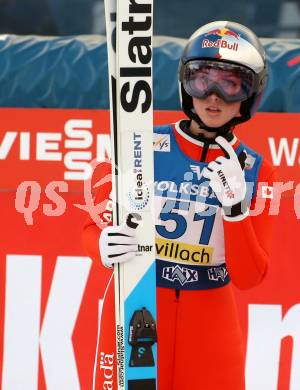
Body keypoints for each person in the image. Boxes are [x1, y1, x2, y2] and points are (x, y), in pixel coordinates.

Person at [83, 20, 276, 390]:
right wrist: (101, 246)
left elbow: (251, 278)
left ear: (249, 95)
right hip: (138, 302)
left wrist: (236, 209)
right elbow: (91, 229)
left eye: (231, 83)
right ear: (186, 85)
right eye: (203, 80)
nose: (214, 96)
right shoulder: (137, 144)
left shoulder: (257, 169)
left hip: (211, 326)